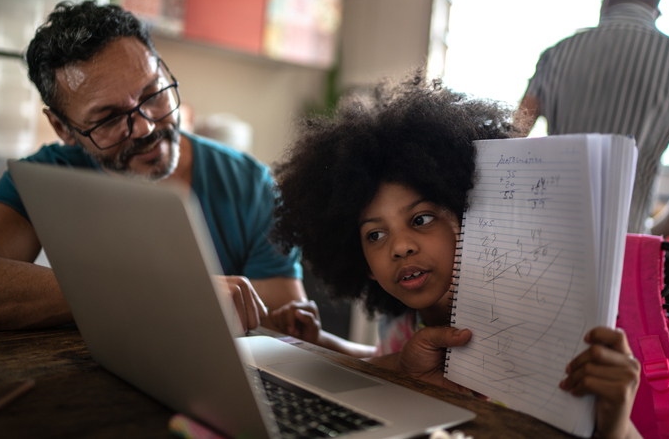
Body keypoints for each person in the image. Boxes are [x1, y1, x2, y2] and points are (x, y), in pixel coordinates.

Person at [269, 71, 643, 438]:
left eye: (422, 218)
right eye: (376, 234)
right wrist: (322, 342)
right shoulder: (402, 323)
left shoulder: (535, 327)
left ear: (470, 218)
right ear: (362, 262)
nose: (400, 247)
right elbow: (384, 357)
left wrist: (616, 428)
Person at [0, 0, 306, 331]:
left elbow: (279, 333)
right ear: (63, 128)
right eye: (111, 117)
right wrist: (154, 293)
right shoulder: (44, 177)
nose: (146, 127)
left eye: (154, 94)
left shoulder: (249, 184)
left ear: (164, 71)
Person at [515, 0, 669, 236]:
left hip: (549, 239)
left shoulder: (556, 54)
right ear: (656, 8)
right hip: (627, 242)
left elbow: (511, 142)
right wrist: (651, 232)